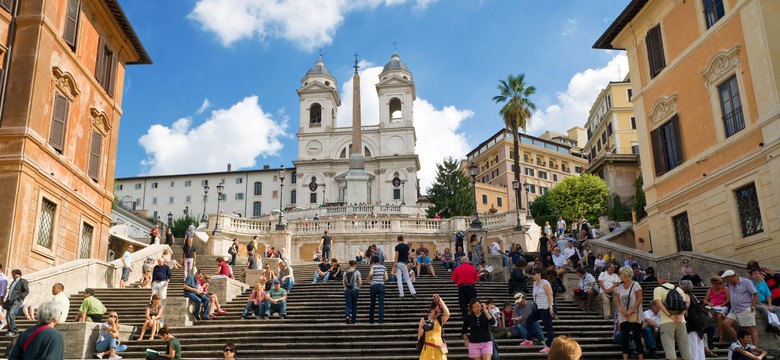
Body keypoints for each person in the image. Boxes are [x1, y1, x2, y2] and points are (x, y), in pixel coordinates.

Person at [653, 271, 692, 360]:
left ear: (659, 278)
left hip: (666, 322)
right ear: (668, 278)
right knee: (685, 347)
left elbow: (658, 303)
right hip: (681, 321)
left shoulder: (658, 289)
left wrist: (670, 316)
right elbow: (687, 303)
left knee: (669, 348)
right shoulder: (678, 289)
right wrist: (681, 315)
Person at [519, 268, 555, 353]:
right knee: (528, 321)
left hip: (545, 308)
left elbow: (550, 295)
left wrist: (551, 306)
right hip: (537, 308)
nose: (533, 275)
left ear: (539, 274)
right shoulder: (534, 283)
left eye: (534, 273)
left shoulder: (545, 282)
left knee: (548, 327)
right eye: (532, 273)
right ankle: (529, 340)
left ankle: (549, 346)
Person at [721, 269, 759, 347]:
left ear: (731, 277)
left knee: (751, 329)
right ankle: (740, 342)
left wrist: (752, 307)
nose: (727, 282)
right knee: (725, 323)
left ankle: (755, 348)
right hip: (734, 309)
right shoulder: (730, 284)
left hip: (745, 308)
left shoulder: (746, 282)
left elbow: (755, 294)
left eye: (727, 279)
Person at [615, 266, 644, 360]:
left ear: (626, 274)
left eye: (620, 273)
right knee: (625, 338)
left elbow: (640, 298)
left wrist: (630, 311)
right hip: (623, 316)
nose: (619, 275)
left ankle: (641, 358)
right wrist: (622, 310)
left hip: (635, 314)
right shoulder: (619, 286)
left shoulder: (635, 284)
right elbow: (617, 300)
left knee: (637, 337)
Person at [418, 294, 450, 360]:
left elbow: (448, 314)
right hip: (428, 348)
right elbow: (419, 335)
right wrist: (422, 327)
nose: (437, 313)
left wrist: (441, 301)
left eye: (439, 312)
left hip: (439, 348)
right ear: (431, 309)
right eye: (436, 311)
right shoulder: (424, 319)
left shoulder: (440, 319)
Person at [749, 268, 780, 334]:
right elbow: (751, 297)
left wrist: (769, 304)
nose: (757, 275)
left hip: (764, 303)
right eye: (755, 274)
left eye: (758, 273)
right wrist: (763, 305)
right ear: (751, 276)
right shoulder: (749, 283)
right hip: (754, 303)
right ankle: (775, 327)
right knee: (764, 308)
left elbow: (768, 295)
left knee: (778, 309)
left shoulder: (763, 283)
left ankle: (773, 326)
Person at [366, 255, 388, 324]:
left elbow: (370, 274)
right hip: (381, 286)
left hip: (374, 286)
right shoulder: (383, 267)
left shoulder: (373, 267)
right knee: (381, 304)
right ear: (378, 260)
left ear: (372, 261)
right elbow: (387, 278)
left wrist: (368, 280)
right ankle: (381, 321)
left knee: (372, 304)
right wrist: (381, 279)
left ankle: (371, 321)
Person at [343, 260, 361, 324]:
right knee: (354, 306)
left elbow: (343, 282)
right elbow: (360, 282)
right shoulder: (357, 272)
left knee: (348, 305)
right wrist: (358, 288)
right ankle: (353, 321)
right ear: (354, 265)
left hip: (347, 290)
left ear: (349, 264)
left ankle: (347, 316)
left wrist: (345, 288)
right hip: (355, 289)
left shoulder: (345, 272)